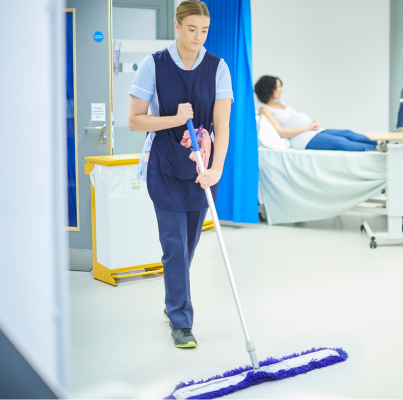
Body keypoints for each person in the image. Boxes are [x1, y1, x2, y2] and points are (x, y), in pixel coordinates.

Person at [128, 0, 233, 348]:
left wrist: (216, 168)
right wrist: (174, 118)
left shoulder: (218, 67)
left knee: (187, 246)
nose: (198, 37)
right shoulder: (153, 64)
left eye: (204, 31)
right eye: (192, 29)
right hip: (166, 165)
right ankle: (181, 321)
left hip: (201, 167)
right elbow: (134, 120)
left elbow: (222, 123)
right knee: (174, 247)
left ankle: (173, 297)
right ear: (176, 25)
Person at [255, 76, 385, 152]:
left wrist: (310, 124)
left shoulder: (283, 102)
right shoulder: (265, 109)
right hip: (300, 139)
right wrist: (307, 127)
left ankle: (381, 142)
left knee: (347, 133)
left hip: (311, 131)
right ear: (268, 89)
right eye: (278, 87)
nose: (281, 90)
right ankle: (377, 149)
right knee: (341, 142)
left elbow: (294, 119)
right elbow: (280, 132)